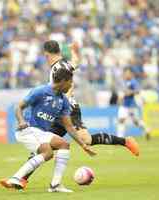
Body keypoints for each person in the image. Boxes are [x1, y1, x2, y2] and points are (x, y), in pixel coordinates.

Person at [19, 40, 140, 187]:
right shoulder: (63, 64)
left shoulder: (57, 68)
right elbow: (76, 63)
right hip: (62, 111)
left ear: (46, 54)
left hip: (67, 110)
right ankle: (23, 179)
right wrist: (75, 52)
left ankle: (125, 141)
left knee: (75, 140)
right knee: (47, 143)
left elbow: (67, 88)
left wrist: (63, 103)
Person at [0, 67, 96, 193]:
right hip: (28, 129)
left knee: (64, 144)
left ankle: (55, 185)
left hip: (41, 133)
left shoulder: (63, 101)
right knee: (48, 153)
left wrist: (83, 145)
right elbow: (18, 107)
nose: (71, 86)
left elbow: (69, 126)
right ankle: (15, 178)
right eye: (70, 82)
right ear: (62, 81)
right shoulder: (40, 91)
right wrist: (21, 121)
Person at [116, 68, 151, 140]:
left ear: (131, 74)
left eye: (127, 73)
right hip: (124, 105)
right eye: (125, 73)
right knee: (122, 120)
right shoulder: (125, 82)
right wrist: (121, 97)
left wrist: (130, 92)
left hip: (131, 105)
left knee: (135, 122)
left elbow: (137, 90)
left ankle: (146, 129)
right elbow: (123, 92)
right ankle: (120, 138)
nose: (126, 75)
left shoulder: (133, 82)